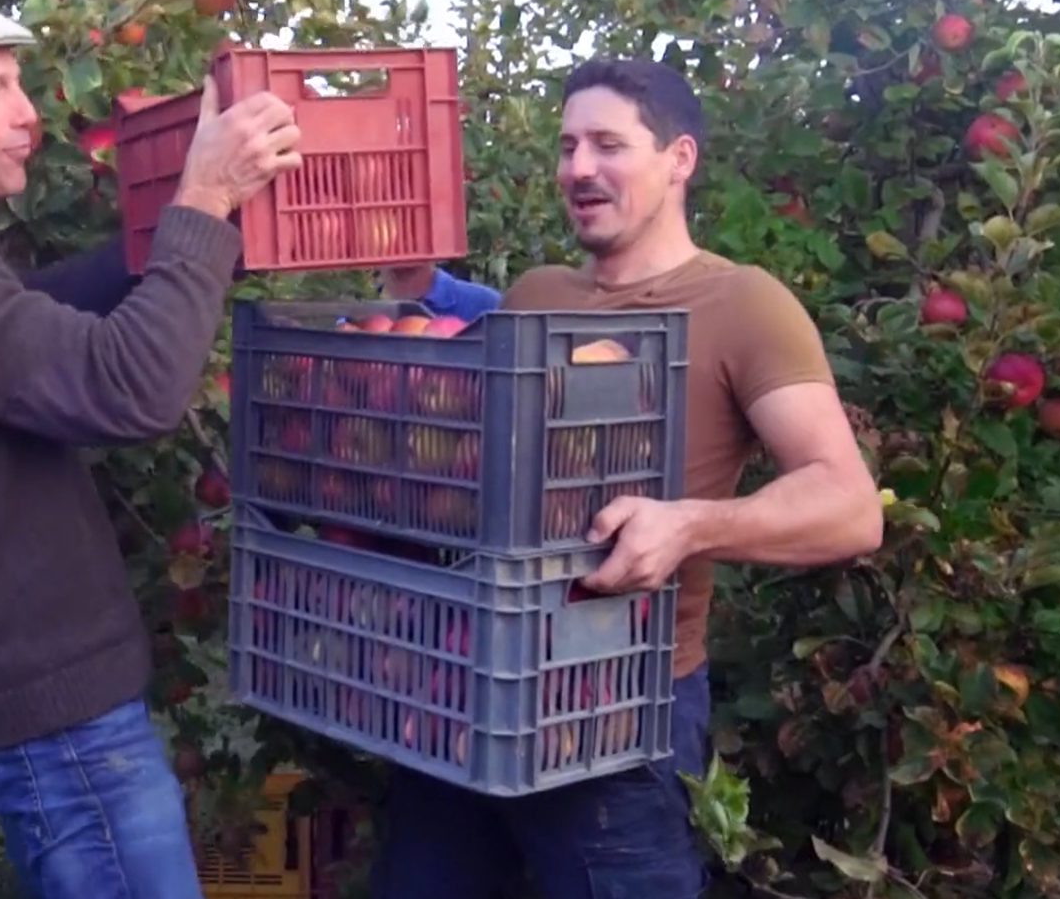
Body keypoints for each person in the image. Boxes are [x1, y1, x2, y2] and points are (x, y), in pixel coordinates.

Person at [0, 0, 302, 899]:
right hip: (59, 723)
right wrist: (202, 199)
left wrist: (163, 249)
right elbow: (131, 387)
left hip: (44, 704)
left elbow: (27, 323)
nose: (28, 112)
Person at [371, 58, 884, 899]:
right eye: (568, 145)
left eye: (609, 143)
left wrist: (689, 524)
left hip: (614, 712)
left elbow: (848, 505)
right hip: (467, 685)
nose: (579, 168)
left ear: (679, 158)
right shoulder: (535, 296)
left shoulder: (742, 305)